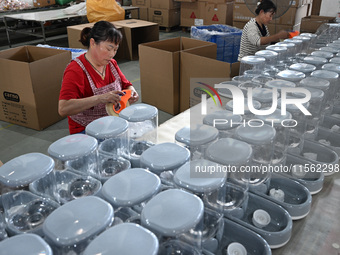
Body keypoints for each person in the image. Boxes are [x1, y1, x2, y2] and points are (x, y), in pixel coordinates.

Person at [58, 21, 139, 134]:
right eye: (108, 48)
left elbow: (126, 84)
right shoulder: (75, 70)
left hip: (112, 122)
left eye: (115, 50)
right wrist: (100, 98)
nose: (112, 54)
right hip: (86, 129)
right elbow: (63, 108)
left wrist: (131, 91)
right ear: (93, 43)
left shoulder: (111, 64)